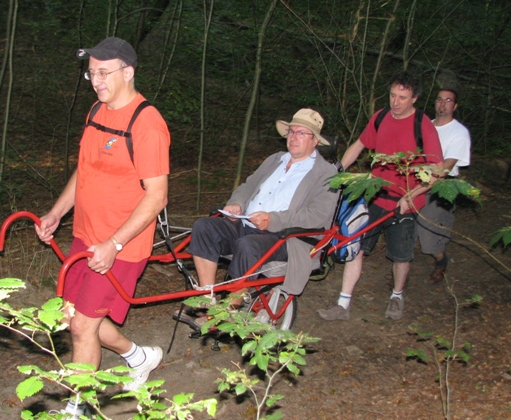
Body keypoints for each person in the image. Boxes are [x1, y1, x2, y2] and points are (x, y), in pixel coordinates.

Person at [34, 37, 170, 420]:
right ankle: (138, 356)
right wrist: (57, 212)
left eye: (104, 72)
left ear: (128, 72)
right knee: (78, 317)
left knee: (81, 325)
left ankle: (79, 412)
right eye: (91, 72)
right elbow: (85, 170)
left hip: (121, 245)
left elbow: (156, 195)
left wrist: (114, 242)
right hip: (85, 235)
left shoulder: (147, 123)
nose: (95, 80)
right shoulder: (96, 112)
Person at [180, 108, 338, 325]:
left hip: (286, 237)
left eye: (301, 133)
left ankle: (226, 313)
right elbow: (249, 185)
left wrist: (273, 219)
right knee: (205, 226)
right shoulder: (276, 160)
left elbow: (317, 216)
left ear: (315, 141)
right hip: (248, 222)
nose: (293, 137)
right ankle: (208, 296)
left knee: (248, 245)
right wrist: (237, 203)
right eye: (291, 131)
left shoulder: (326, 174)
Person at [317, 70, 443, 322]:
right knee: (357, 247)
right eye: (393, 95)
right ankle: (343, 304)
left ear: (415, 99)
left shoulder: (423, 125)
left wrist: (411, 196)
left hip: (405, 202)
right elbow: (360, 144)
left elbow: (437, 171)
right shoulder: (381, 117)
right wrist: (337, 172)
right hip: (374, 196)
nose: (396, 102)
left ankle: (396, 296)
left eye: (403, 97)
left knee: (401, 254)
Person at [416, 88, 471, 284]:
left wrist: (422, 185)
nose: (442, 104)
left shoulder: (459, 132)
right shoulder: (425, 126)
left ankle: (441, 259)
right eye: (439, 99)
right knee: (402, 223)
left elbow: (446, 167)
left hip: (442, 186)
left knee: (427, 226)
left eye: (448, 101)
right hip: (418, 179)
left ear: (455, 106)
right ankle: (401, 270)